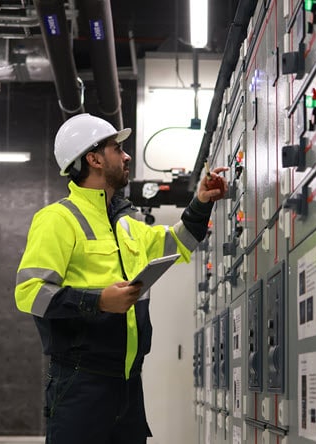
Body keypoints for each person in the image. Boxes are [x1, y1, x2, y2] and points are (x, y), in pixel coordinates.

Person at [14, 113, 228, 444]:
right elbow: (30, 293)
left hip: (128, 383)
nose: (127, 156)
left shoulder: (127, 224)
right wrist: (97, 300)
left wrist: (200, 202)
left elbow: (179, 242)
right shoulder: (58, 219)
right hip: (80, 382)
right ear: (94, 158)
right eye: (118, 148)